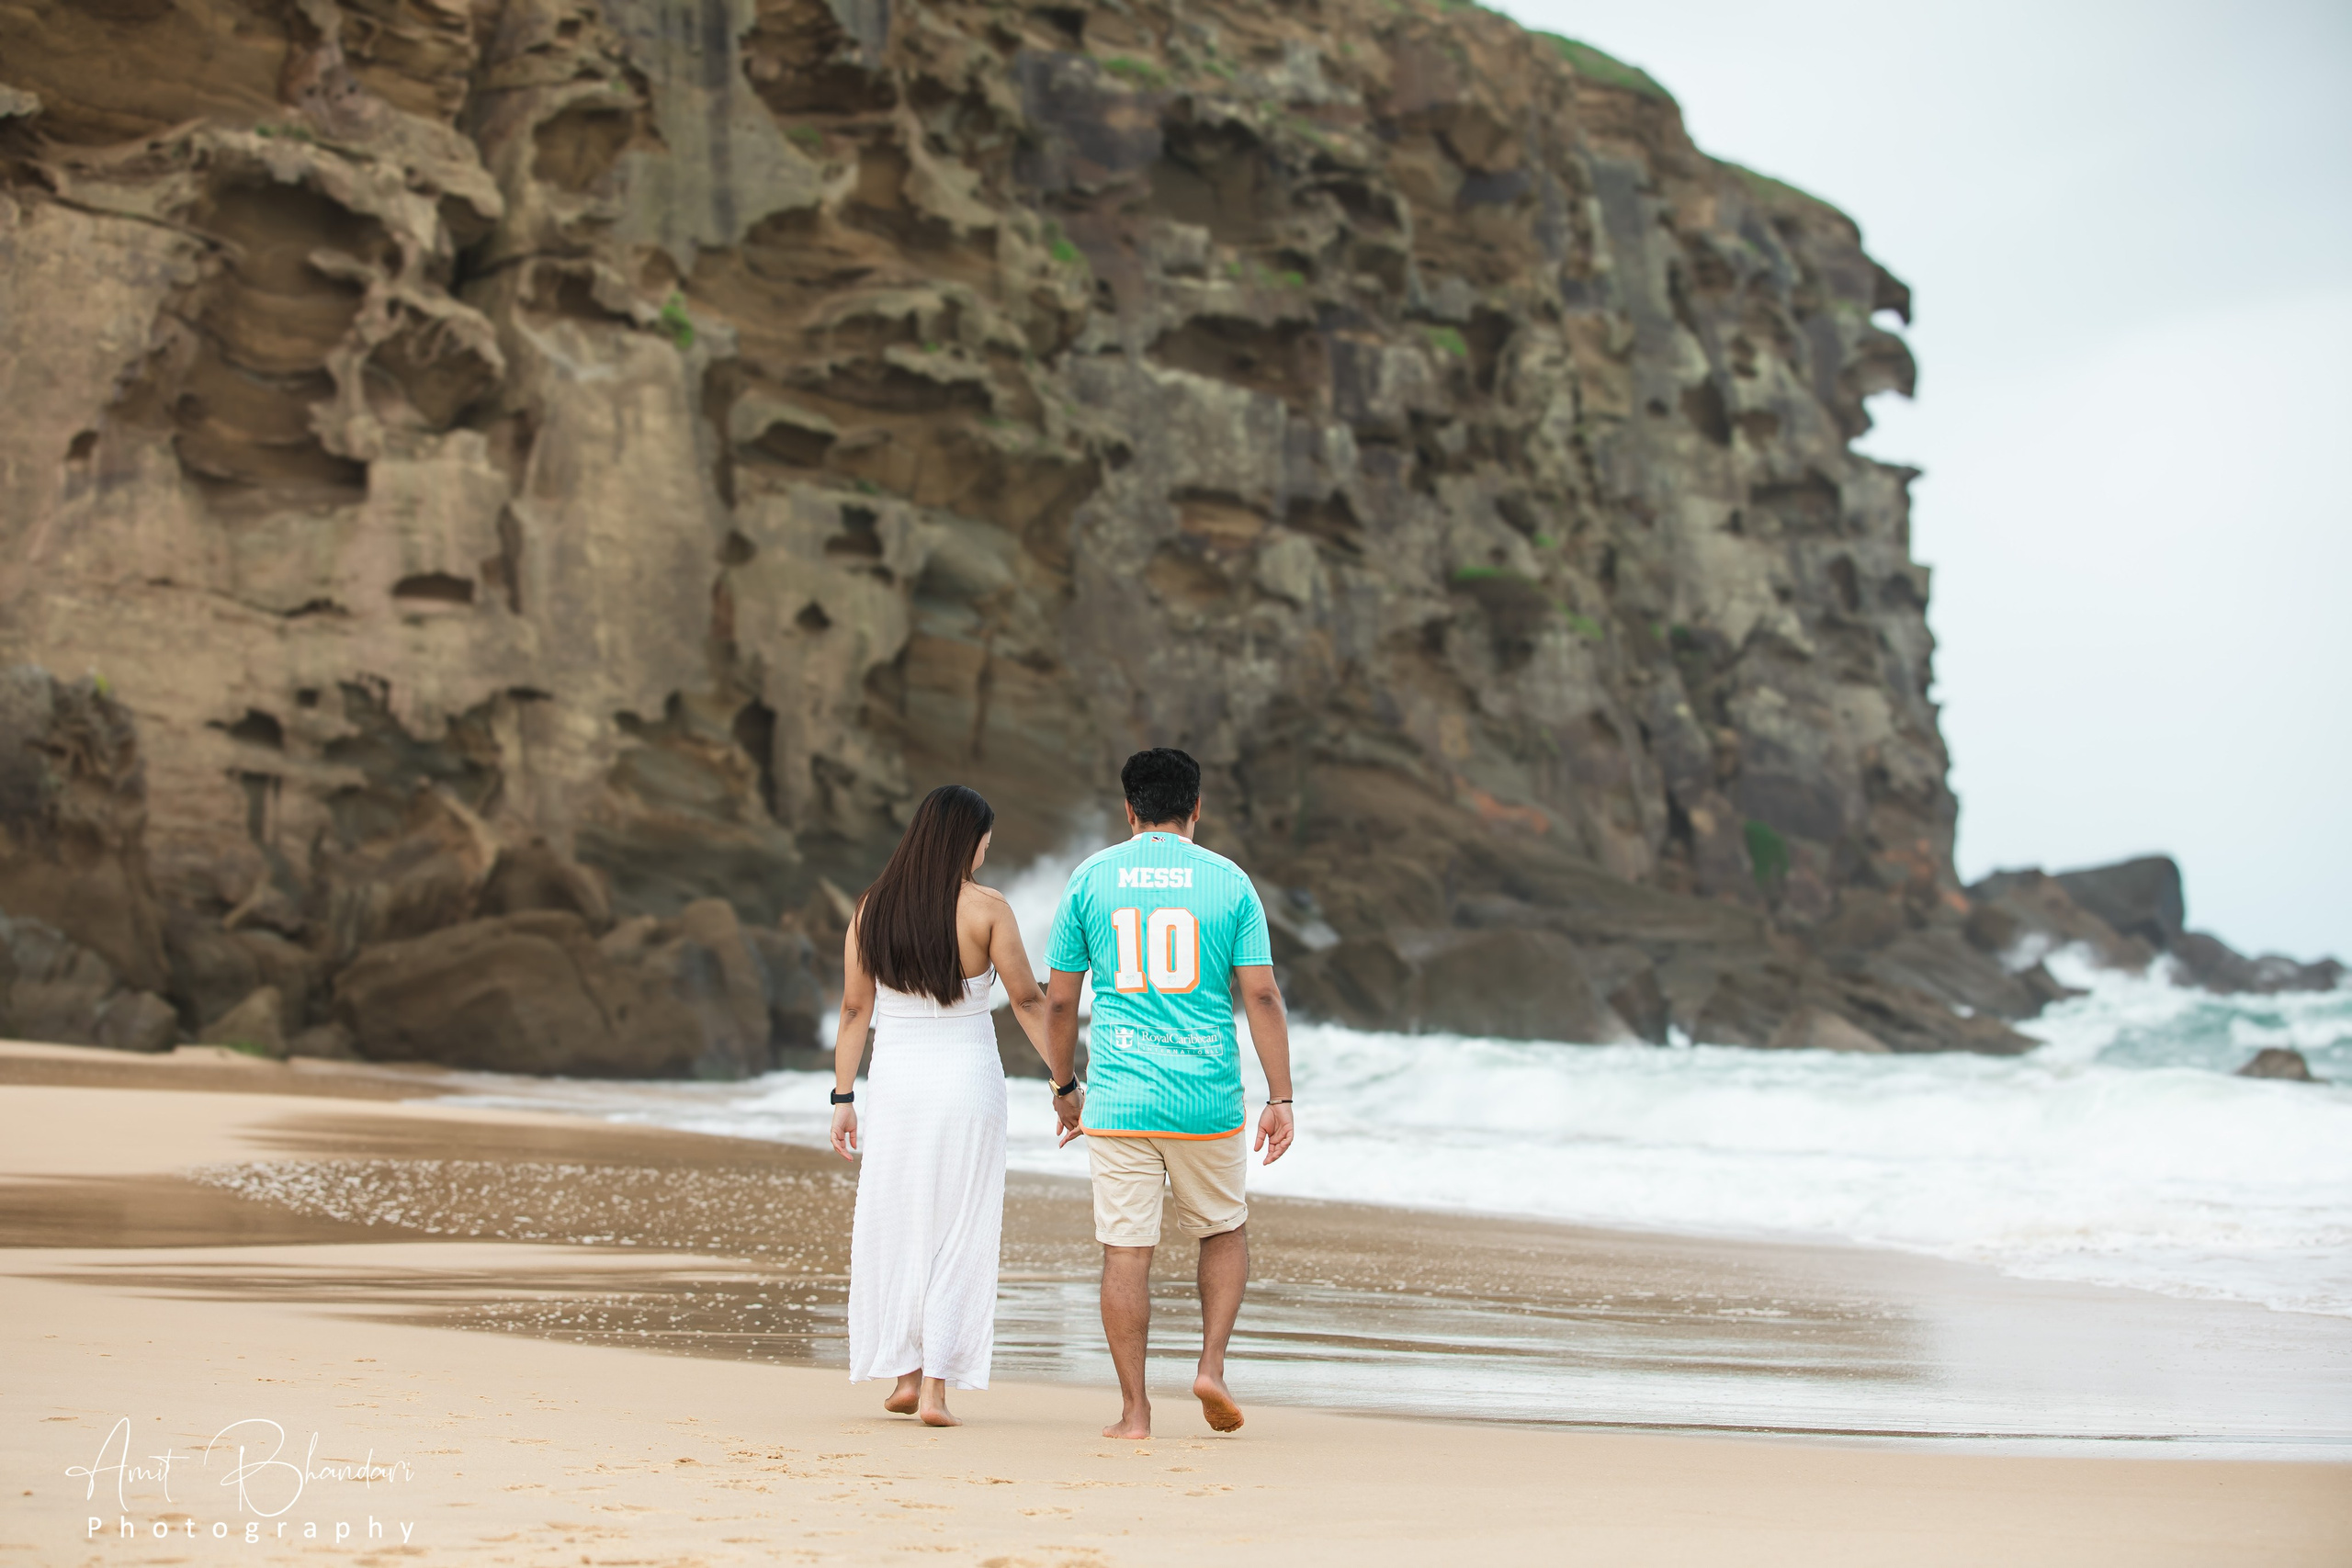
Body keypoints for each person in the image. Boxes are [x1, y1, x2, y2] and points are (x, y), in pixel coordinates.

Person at [1045, 748, 1295, 1438]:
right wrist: (1281, 1096)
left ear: (1128, 809)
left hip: (1119, 1097)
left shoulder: (1091, 878)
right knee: (1223, 1227)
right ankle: (1211, 1364)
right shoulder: (1230, 881)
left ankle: (1134, 1413)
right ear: (1197, 806)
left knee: (1125, 1250)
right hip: (1205, 1096)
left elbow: (1060, 1003)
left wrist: (1066, 1086)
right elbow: (1263, 994)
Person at [829, 784, 1082, 1427]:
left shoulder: (871, 910)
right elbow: (1031, 1002)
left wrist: (842, 1097)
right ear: (968, 839)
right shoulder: (987, 909)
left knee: (899, 1223)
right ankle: (937, 1390)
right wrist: (1064, 1083)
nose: (989, 849)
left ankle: (905, 1376)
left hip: (898, 1086)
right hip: (968, 1083)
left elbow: (856, 1010)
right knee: (960, 1228)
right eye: (986, 839)